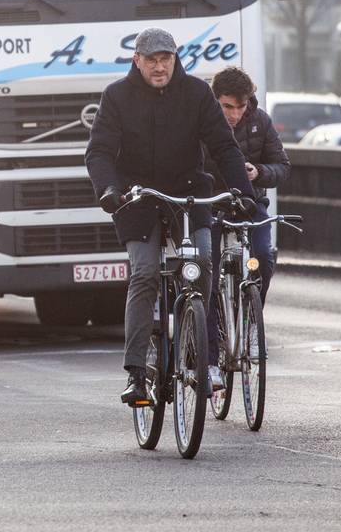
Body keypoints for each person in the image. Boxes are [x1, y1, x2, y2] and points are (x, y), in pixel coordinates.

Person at [85, 28, 254, 405]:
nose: (160, 67)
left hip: (188, 193)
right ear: (137, 61)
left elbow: (224, 147)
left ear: (175, 60)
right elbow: (99, 152)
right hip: (137, 196)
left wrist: (243, 192)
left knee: (204, 260)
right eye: (152, 60)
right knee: (144, 273)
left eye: (166, 59)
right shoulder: (117, 96)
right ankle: (136, 372)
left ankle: (198, 348)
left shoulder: (196, 93)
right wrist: (109, 190)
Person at [209, 66, 290, 304]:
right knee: (207, 266)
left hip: (251, 203)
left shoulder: (260, 121)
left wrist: (259, 172)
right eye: (227, 107)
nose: (234, 115)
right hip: (211, 203)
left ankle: (252, 314)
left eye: (241, 107)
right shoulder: (202, 121)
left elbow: (283, 166)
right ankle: (211, 322)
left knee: (263, 257)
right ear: (215, 100)